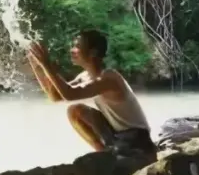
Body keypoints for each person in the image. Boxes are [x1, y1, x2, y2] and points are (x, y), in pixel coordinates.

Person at [27, 30, 155, 154]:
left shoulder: (108, 78)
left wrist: (46, 64)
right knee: (75, 111)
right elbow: (55, 96)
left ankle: (110, 156)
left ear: (93, 53)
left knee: (75, 107)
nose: (72, 50)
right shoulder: (85, 76)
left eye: (77, 46)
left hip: (137, 139)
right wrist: (36, 64)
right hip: (118, 135)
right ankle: (102, 153)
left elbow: (69, 94)